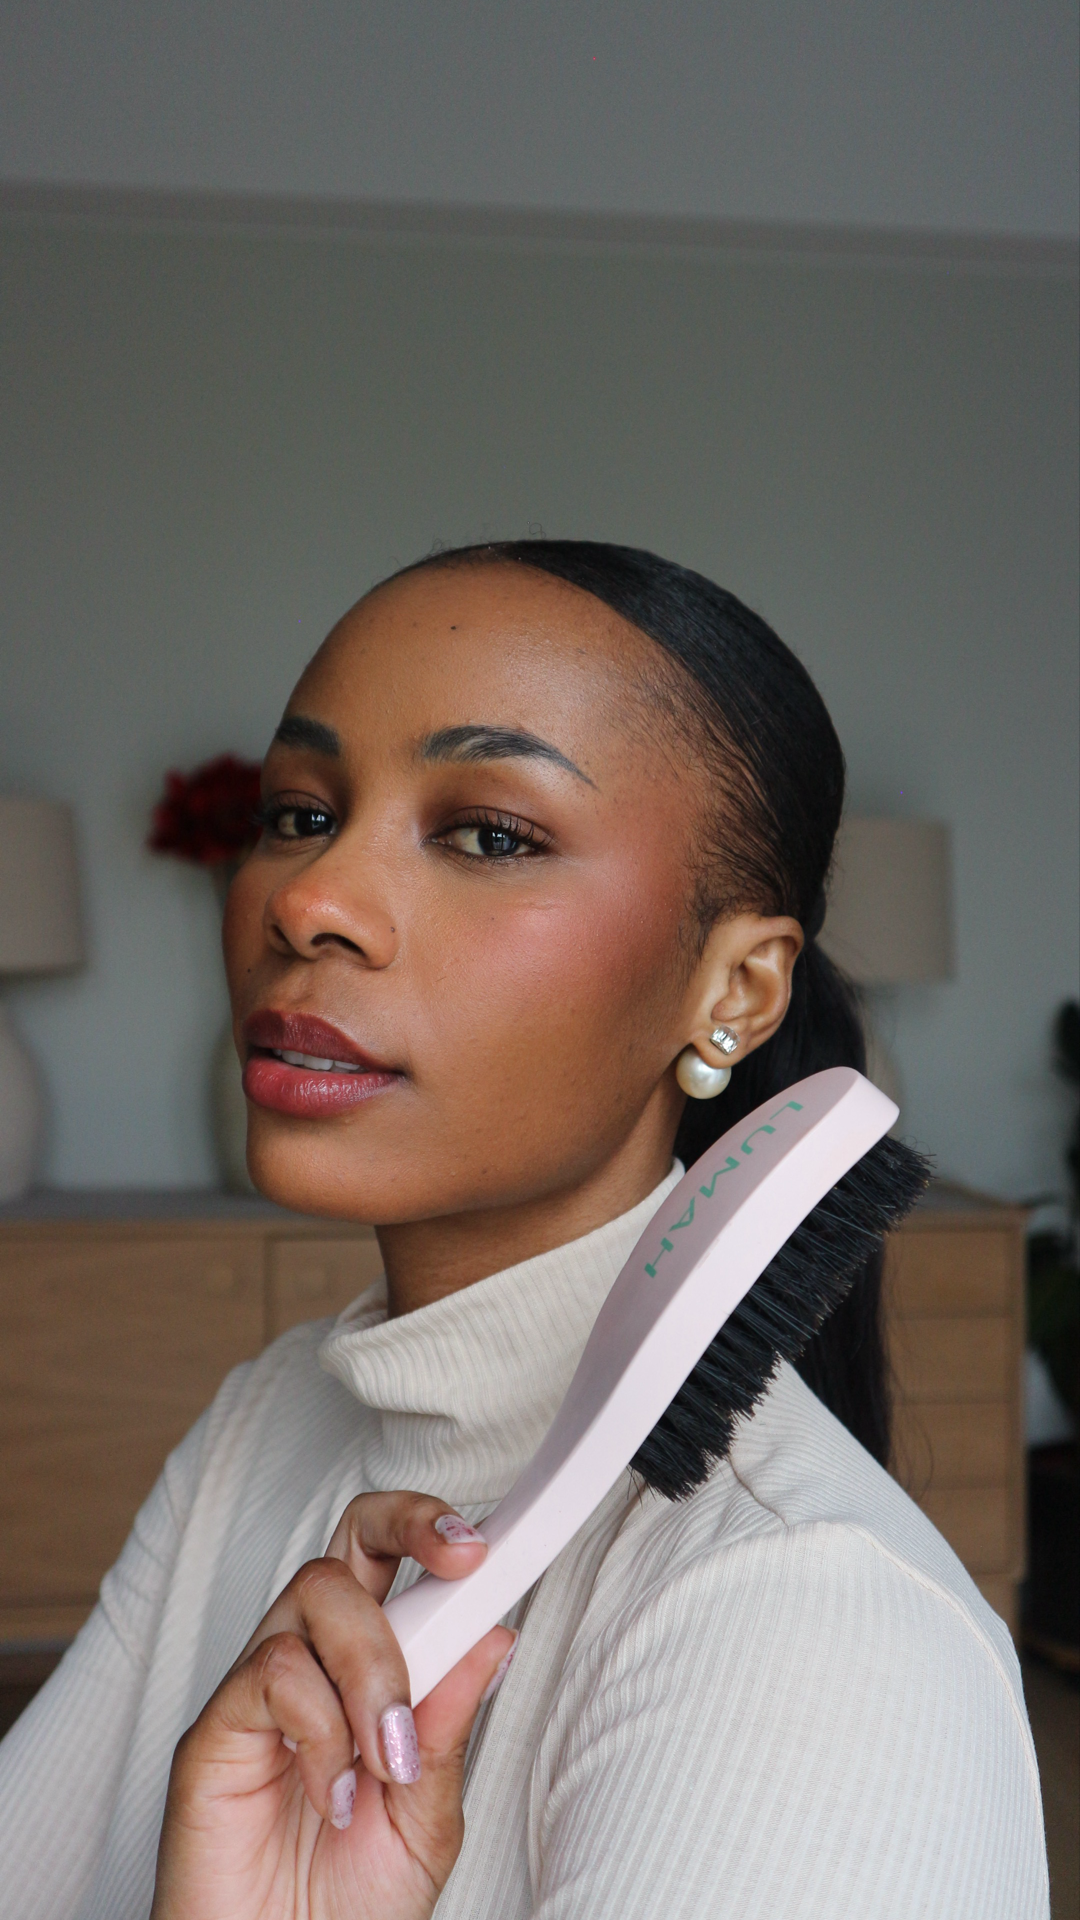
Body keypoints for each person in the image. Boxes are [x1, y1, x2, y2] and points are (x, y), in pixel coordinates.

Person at [0, 543, 1048, 1918]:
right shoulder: (265, 1422)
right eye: (301, 813)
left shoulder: (814, 1626)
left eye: (490, 835)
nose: (306, 902)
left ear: (735, 991)